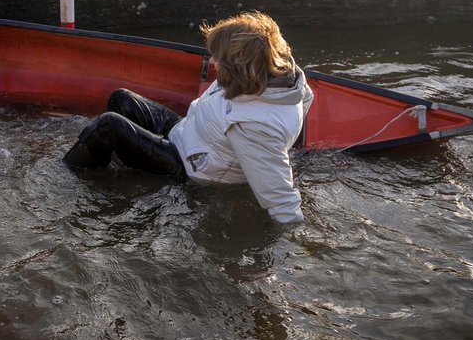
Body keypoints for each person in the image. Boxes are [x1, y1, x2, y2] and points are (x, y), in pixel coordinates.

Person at [63, 11, 313, 224]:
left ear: (239, 68)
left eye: (219, 59)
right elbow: (304, 102)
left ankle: (65, 178)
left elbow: (281, 199)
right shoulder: (280, 76)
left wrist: (291, 246)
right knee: (122, 98)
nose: (213, 61)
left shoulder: (255, 127)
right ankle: (113, 170)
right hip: (189, 133)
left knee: (108, 126)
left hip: (189, 168)